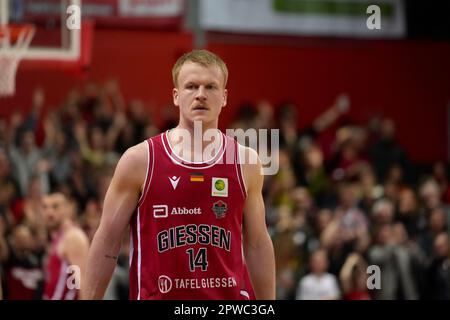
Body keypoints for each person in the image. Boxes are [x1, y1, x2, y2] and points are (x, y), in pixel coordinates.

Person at [84, 49, 275, 300]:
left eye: (211, 87)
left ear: (225, 97)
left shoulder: (245, 161)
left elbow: (258, 244)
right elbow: (107, 240)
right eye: (191, 86)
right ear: (176, 96)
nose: (200, 95)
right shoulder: (140, 159)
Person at [41, 192, 89, 300]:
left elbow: (83, 282)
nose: (49, 212)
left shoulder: (73, 237)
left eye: (55, 206)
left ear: (68, 208)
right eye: (45, 207)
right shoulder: (57, 238)